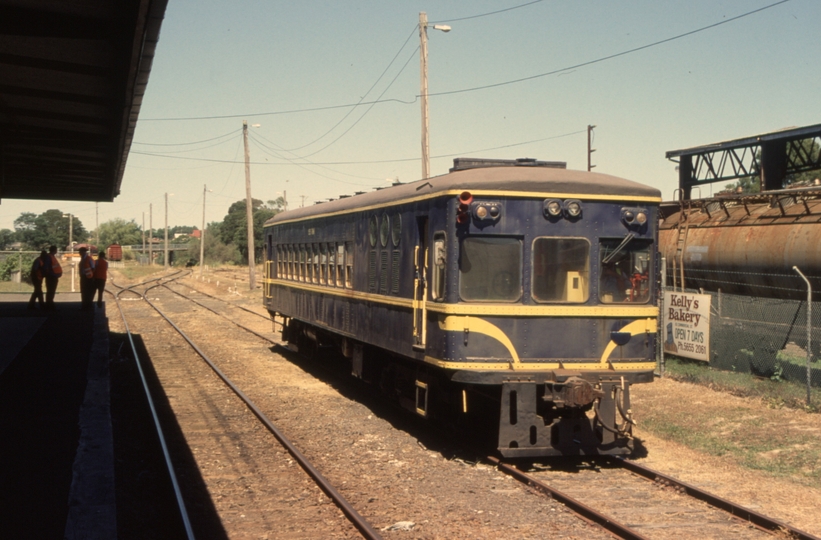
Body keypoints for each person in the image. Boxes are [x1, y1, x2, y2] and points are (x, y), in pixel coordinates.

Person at [43, 245, 63, 311]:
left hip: (53, 276)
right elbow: (46, 267)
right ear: (54, 250)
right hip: (51, 277)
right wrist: (50, 274)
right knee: (50, 291)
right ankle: (49, 304)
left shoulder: (52, 257)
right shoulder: (49, 257)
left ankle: (50, 303)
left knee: (51, 291)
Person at [78, 247, 96, 311]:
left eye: (80, 252)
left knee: (88, 292)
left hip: (88, 278)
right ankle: (84, 306)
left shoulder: (88, 259)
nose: (79, 253)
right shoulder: (82, 259)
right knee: (83, 292)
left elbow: (93, 268)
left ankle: (88, 305)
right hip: (83, 277)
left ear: (83, 252)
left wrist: (91, 276)